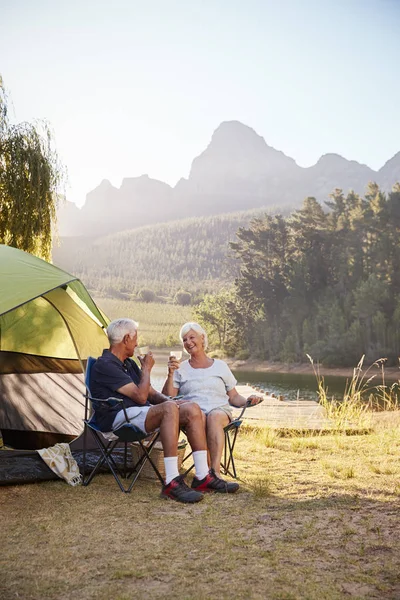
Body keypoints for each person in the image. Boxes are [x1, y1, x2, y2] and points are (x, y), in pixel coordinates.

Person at [90, 318, 214, 504]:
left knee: (191, 408)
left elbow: (151, 393)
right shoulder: (106, 365)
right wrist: (147, 368)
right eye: (135, 339)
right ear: (126, 339)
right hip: (118, 418)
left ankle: (203, 476)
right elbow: (141, 397)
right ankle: (171, 482)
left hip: (138, 413)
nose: (137, 343)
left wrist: (171, 400)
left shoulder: (128, 364)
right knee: (169, 409)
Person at [162, 322, 263, 493]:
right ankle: (205, 475)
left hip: (220, 412)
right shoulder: (181, 368)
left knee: (214, 416)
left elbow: (234, 397)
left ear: (202, 338)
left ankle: (215, 473)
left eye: (192, 337)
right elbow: (167, 398)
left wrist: (247, 401)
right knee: (200, 415)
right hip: (194, 416)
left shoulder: (220, 366)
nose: (188, 342)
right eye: (185, 339)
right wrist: (171, 374)